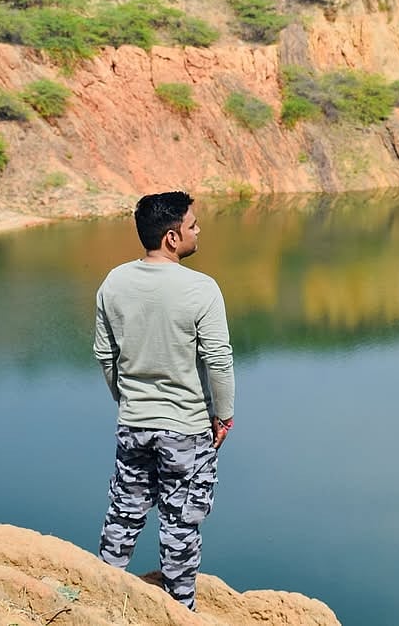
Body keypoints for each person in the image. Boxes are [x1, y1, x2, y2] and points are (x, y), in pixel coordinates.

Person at [93, 191, 236, 611]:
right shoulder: (201, 289)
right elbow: (218, 360)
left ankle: (101, 598)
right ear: (172, 237)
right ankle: (180, 610)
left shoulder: (113, 282)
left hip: (133, 422)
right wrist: (223, 416)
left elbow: (105, 355)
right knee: (180, 524)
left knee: (124, 511)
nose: (198, 230)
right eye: (193, 225)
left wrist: (127, 400)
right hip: (187, 430)